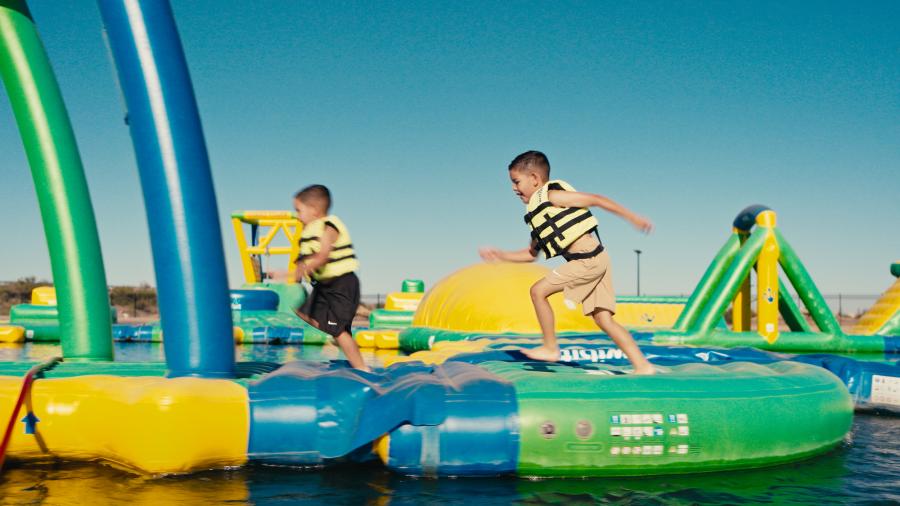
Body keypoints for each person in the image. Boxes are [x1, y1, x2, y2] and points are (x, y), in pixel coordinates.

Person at [479, 151, 655, 374]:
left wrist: (633, 217)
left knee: (537, 291)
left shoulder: (553, 196)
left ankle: (551, 348)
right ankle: (643, 366)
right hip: (596, 258)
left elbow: (596, 199)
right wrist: (501, 255)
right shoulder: (538, 214)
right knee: (603, 319)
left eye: (516, 182)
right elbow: (531, 254)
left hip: (588, 259)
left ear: (534, 178)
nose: (514, 188)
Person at [270, 184, 369, 371]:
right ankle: (340, 326)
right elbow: (305, 259)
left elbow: (323, 256)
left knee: (340, 332)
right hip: (323, 288)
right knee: (303, 312)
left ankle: (363, 368)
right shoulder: (309, 231)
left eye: (299, 210)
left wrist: (288, 274)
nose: (297, 216)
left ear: (314, 210)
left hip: (341, 283)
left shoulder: (328, 226)